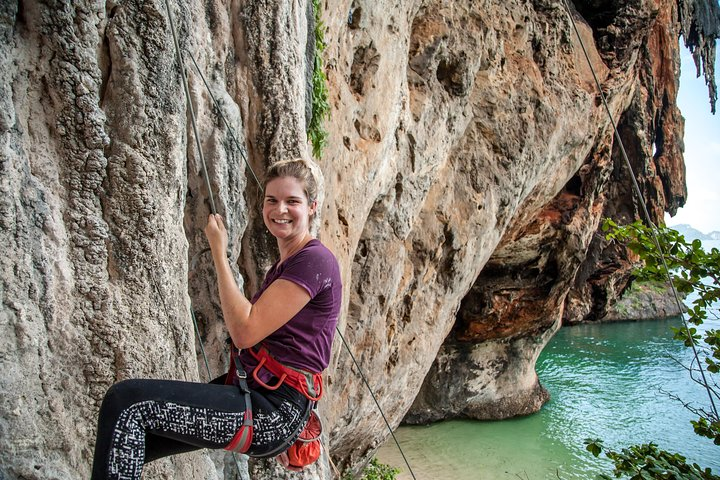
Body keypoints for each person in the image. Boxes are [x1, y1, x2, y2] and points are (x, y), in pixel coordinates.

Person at [90, 158, 342, 479]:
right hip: (266, 403)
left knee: (126, 402)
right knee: (129, 438)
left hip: (271, 411)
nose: (280, 209)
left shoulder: (314, 260)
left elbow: (245, 332)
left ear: (312, 207)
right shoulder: (289, 265)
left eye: (292, 201)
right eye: (272, 200)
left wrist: (219, 252)